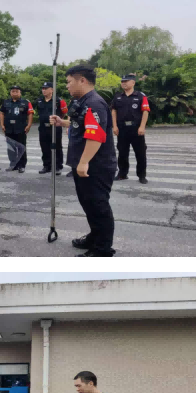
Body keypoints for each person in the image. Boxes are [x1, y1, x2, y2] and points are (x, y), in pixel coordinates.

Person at [52, 65, 118, 257]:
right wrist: (62, 122)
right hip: (84, 162)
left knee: (98, 205)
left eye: (69, 82)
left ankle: (102, 248)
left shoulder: (94, 103)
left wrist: (84, 162)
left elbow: (95, 135)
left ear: (82, 80)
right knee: (88, 204)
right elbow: (80, 124)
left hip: (95, 165)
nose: (67, 86)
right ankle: (95, 236)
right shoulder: (82, 101)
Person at [111, 74, 150, 183]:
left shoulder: (141, 96)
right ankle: (122, 174)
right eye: (122, 81)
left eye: (126, 81)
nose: (123, 83)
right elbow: (114, 111)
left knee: (140, 153)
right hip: (122, 129)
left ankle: (142, 176)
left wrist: (142, 127)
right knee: (122, 153)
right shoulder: (118, 96)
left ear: (133, 83)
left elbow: (145, 111)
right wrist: (115, 126)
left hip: (136, 129)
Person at [35, 81, 68, 175]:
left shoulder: (58, 101)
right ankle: (47, 166)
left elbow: (64, 112)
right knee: (44, 147)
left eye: (46, 88)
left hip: (54, 128)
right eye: (43, 88)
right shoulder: (39, 100)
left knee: (57, 147)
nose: (44, 90)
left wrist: (59, 121)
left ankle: (58, 166)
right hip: (43, 128)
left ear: (52, 90)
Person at [0, 85, 33, 173]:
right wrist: (2, 124)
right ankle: (13, 165)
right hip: (9, 129)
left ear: (20, 93)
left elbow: (30, 114)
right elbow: (2, 113)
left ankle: (22, 166)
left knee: (21, 147)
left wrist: (29, 125)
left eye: (16, 91)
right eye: (13, 91)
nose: (14, 93)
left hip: (21, 128)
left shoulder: (26, 102)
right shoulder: (6, 102)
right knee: (11, 148)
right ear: (10, 93)